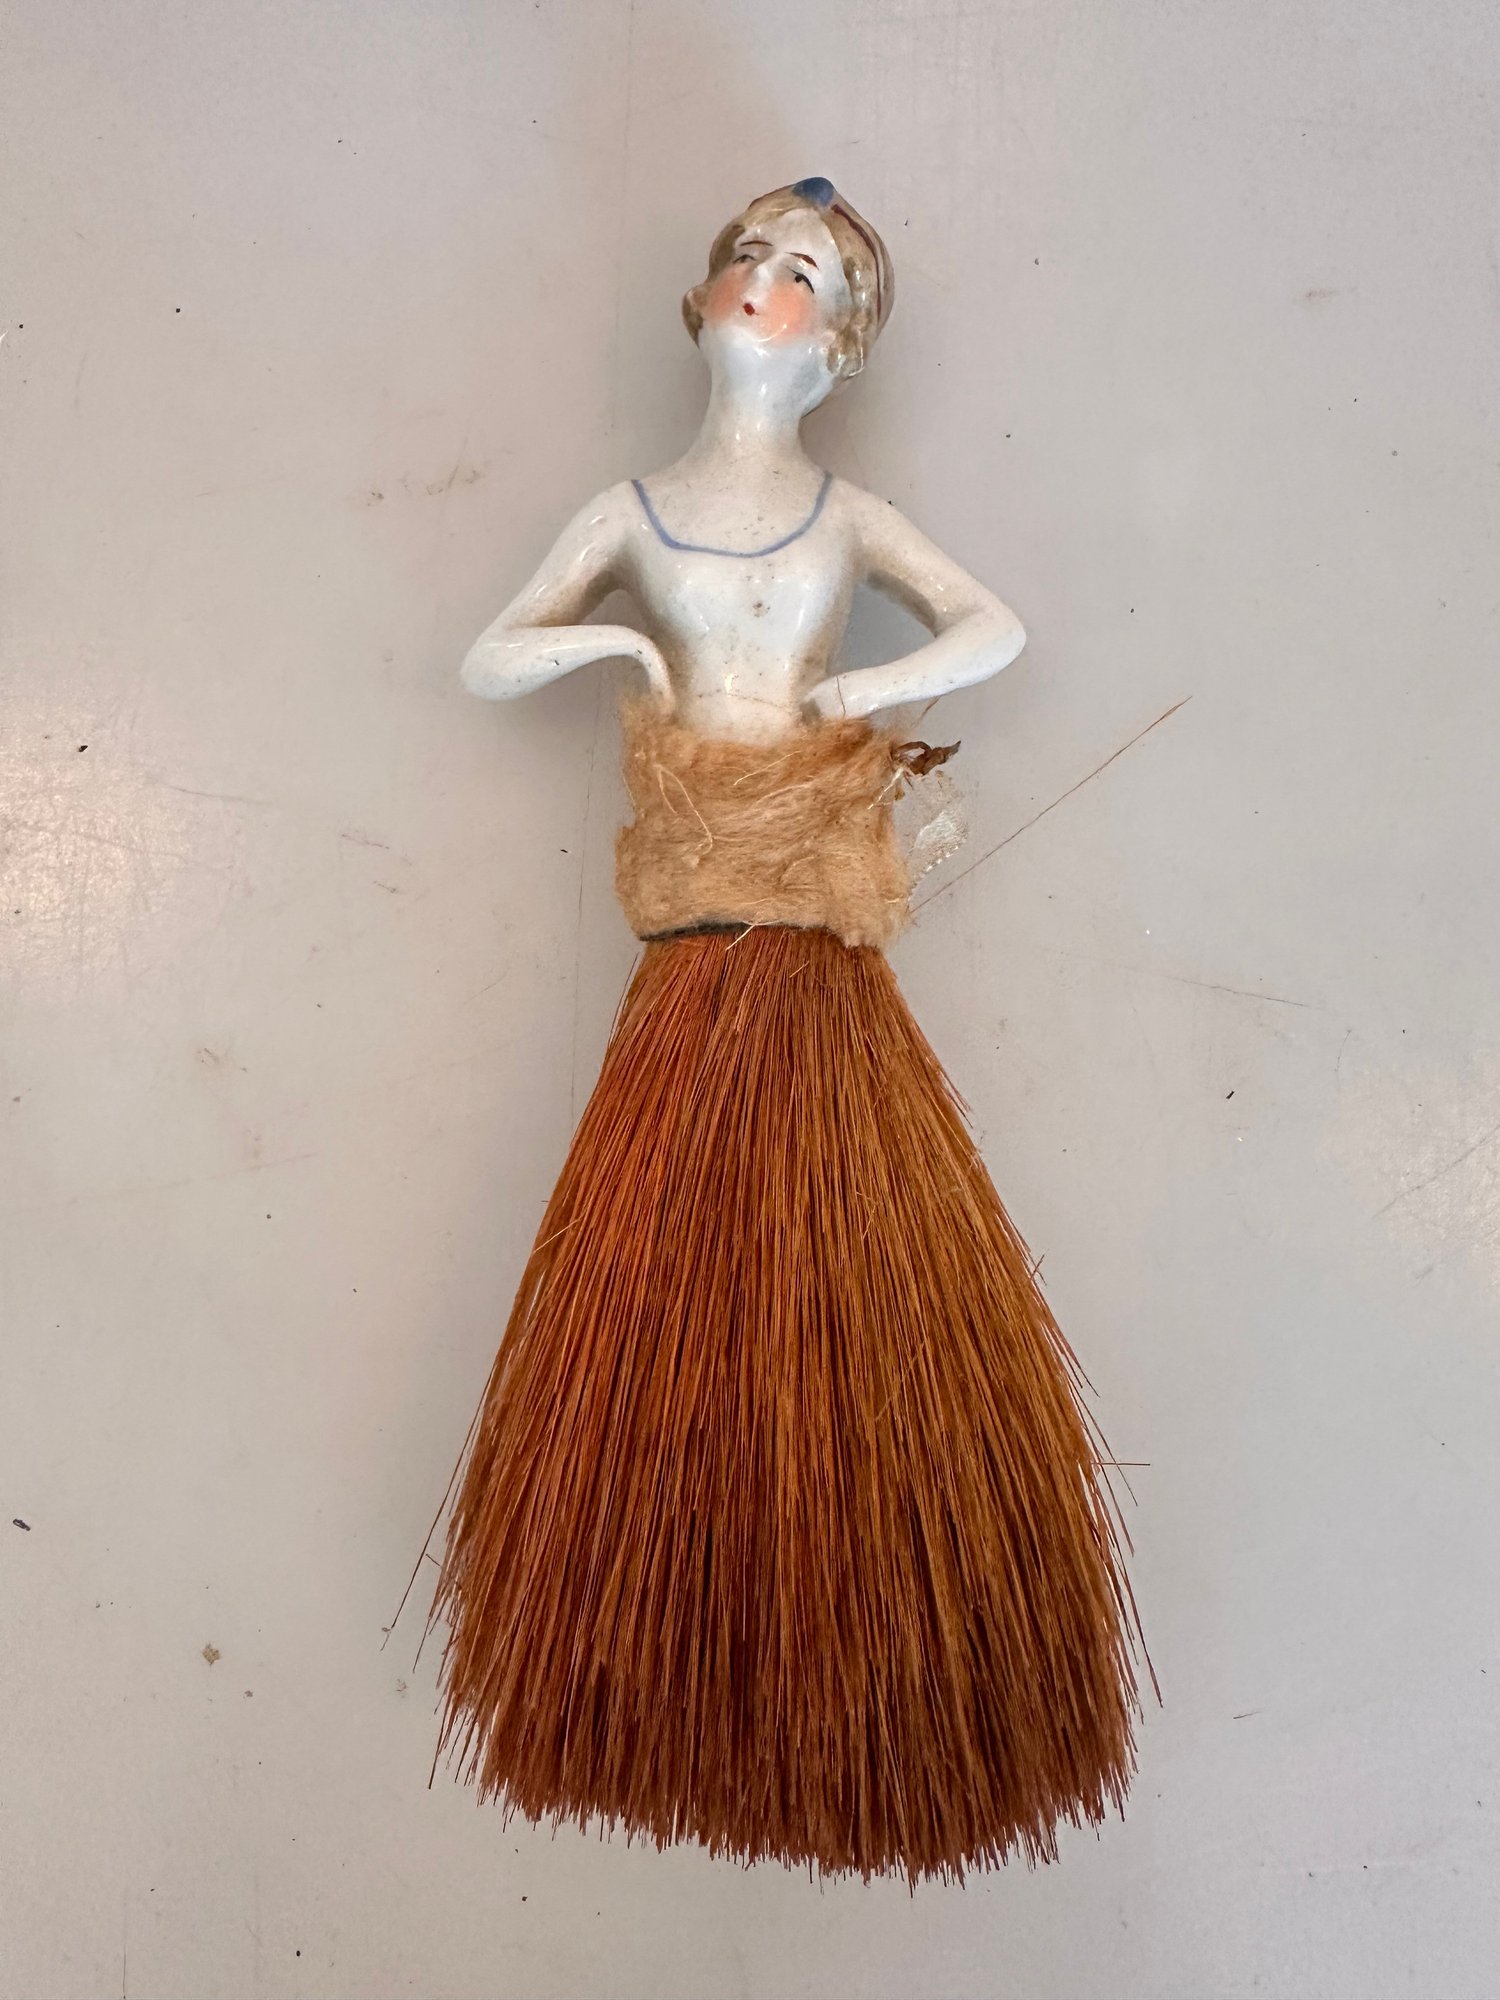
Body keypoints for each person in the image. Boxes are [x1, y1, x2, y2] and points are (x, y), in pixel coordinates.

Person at [432, 178, 1149, 1883]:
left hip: (806, 937)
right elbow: (488, 657)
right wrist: (614, 634)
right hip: (700, 934)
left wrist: (864, 694)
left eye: (806, 270)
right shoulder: (629, 512)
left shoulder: (847, 516)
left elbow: (990, 627)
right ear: (704, 302)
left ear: (842, 347)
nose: (767, 279)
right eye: (749, 256)